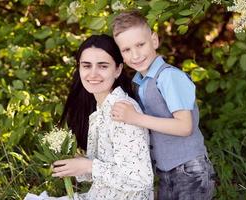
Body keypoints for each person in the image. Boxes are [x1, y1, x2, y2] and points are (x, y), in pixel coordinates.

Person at [24, 34, 153, 200]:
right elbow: (106, 172)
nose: (93, 74)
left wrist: (88, 166)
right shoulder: (99, 111)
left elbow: (140, 179)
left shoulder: (124, 111)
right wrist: (75, 165)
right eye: (86, 66)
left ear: (118, 70)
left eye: (103, 66)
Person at [110, 10, 215, 200]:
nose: (135, 55)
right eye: (126, 50)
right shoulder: (140, 81)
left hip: (189, 169)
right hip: (166, 170)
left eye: (140, 45)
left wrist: (136, 118)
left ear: (155, 40)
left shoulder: (169, 77)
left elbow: (185, 127)